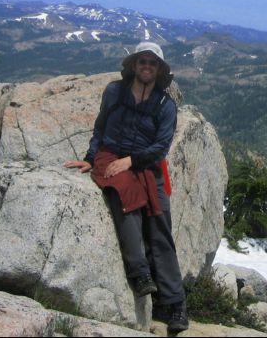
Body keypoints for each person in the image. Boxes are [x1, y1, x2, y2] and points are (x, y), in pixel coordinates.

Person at [64, 41, 188, 333]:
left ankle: (175, 303)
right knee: (124, 193)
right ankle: (141, 273)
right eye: (142, 61)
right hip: (111, 155)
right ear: (133, 65)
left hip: (145, 163)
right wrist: (90, 159)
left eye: (152, 63)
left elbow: (160, 148)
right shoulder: (114, 92)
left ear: (159, 70)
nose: (146, 66)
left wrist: (132, 161)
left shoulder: (165, 105)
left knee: (160, 223)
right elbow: (100, 127)